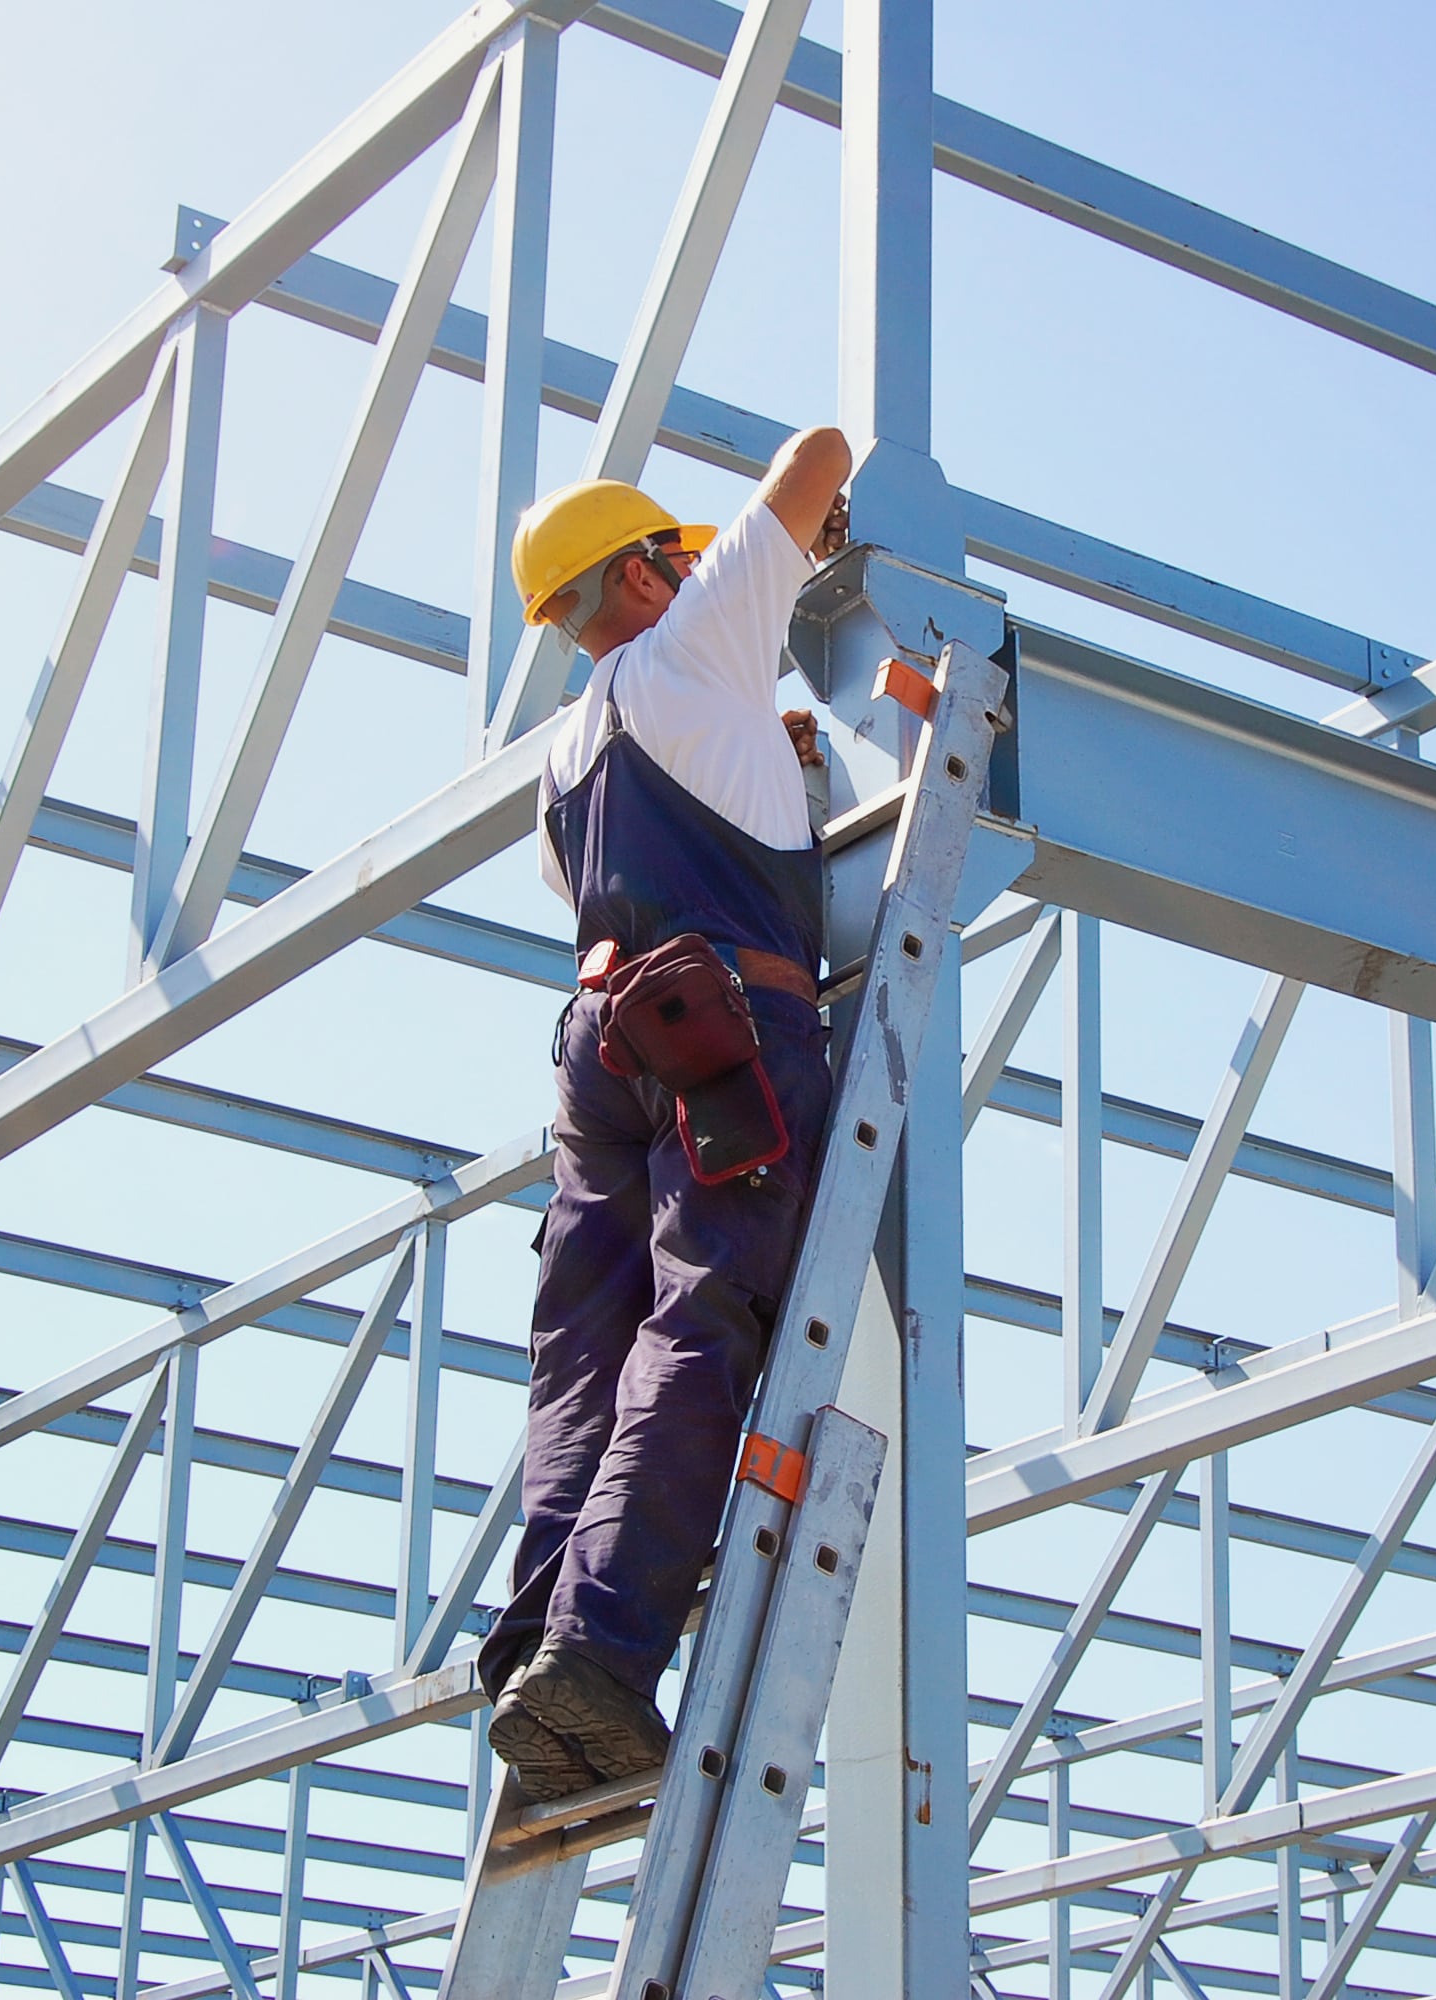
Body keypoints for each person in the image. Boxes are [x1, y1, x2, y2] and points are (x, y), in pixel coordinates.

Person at [481, 429, 855, 1801]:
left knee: (584, 1352)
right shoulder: (696, 642)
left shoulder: (564, 754)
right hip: (719, 1028)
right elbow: (821, 450)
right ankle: (601, 1650)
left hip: (603, 1046)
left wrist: (766, 745)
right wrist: (812, 537)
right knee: (702, 1320)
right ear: (641, 575)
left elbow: (657, 834)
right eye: (673, 560)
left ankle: (538, 1640)